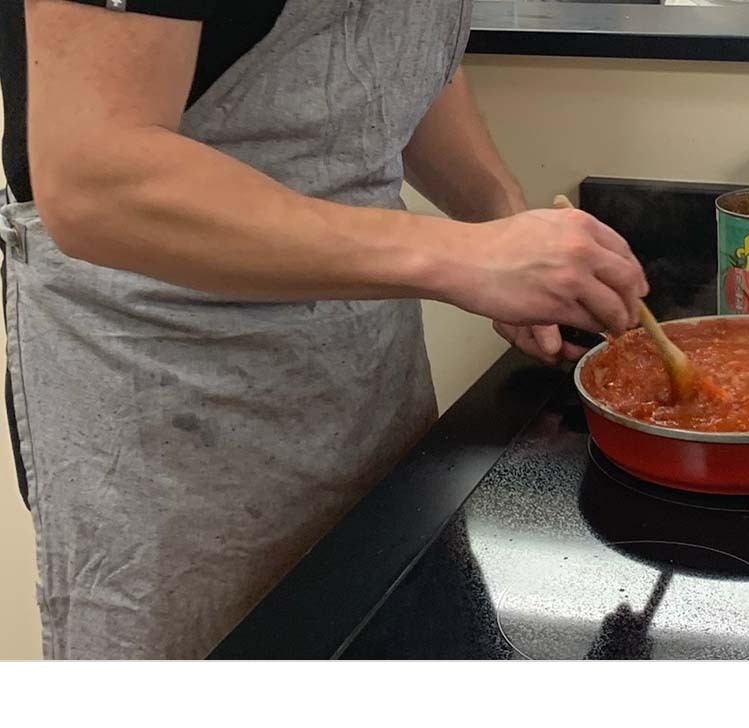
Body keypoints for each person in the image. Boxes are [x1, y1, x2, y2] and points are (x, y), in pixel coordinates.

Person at [0, 0, 648, 659]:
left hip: (361, 348)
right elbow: (95, 180)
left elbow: (383, 55)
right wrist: (461, 257)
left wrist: (499, 220)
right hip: (165, 372)